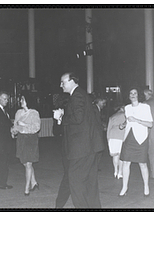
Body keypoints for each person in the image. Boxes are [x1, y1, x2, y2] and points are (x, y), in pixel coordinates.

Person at [53, 72, 102, 208]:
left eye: (63, 82)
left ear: (72, 81)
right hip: (90, 146)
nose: (60, 85)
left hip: (81, 148)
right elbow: (82, 118)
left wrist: (61, 118)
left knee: (75, 181)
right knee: (90, 182)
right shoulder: (81, 95)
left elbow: (78, 118)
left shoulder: (77, 95)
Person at [119, 88, 153, 197]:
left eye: (135, 93)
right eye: (131, 93)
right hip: (129, 138)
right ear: (128, 96)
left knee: (142, 163)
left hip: (141, 139)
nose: (133, 95)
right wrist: (123, 124)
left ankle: (146, 186)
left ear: (139, 95)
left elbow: (150, 124)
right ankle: (124, 187)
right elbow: (128, 121)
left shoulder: (145, 107)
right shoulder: (127, 108)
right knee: (125, 163)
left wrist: (136, 120)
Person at [11, 93, 41, 196]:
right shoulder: (18, 112)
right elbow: (15, 125)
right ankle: (34, 182)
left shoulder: (34, 113)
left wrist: (24, 125)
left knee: (28, 164)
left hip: (30, 140)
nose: (21, 101)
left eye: (23, 100)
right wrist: (14, 131)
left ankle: (27, 188)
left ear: (28, 101)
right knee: (24, 162)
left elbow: (36, 128)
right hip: (21, 139)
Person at [106, 105, 125, 179]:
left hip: (112, 137)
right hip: (121, 137)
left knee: (115, 155)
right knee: (121, 156)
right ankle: (120, 173)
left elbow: (108, 129)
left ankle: (115, 171)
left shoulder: (112, 116)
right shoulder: (125, 116)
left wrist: (108, 139)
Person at [93, 98, 106, 169]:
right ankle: (95, 166)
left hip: (97, 132)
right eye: (103, 103)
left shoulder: (96, 109)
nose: (104, 105)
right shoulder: (94, 109)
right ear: (99, 102)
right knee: (99, 149)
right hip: (96, 133)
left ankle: (95, 166)